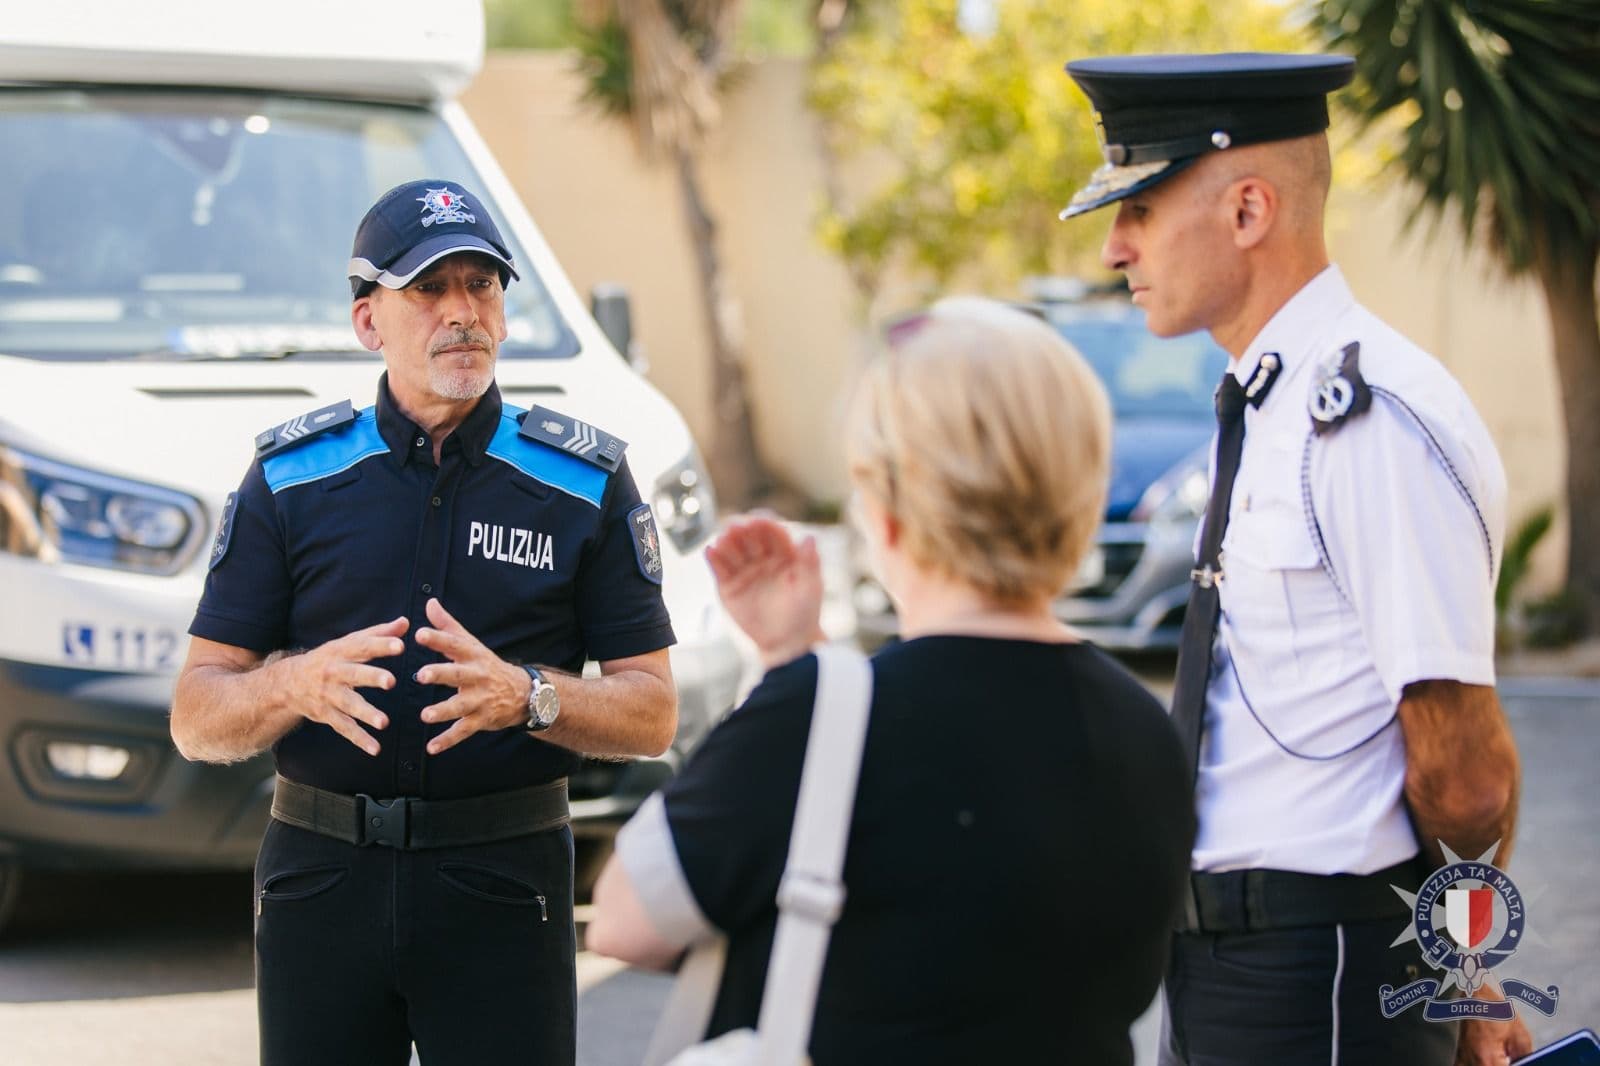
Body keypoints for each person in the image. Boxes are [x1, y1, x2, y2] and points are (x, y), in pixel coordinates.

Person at [1058, 53, 1529, 1066]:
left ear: (1247, 209)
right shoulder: (1274, 399)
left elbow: (1465, 769)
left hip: (1316, 967)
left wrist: (1460, 970)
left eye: (1138, 205)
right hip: (1233, 957)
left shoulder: (1370, 422)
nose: (1112, 246)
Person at [586, 298, 1196, 1065]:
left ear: (891, 514)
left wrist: (789, 674)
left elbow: (624, 919)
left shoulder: (826, 714)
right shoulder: (1148, 735)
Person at [169, 178, 678, 1066]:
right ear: (369, 322)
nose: (463, 313)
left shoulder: (583, 484)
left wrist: (528, 697)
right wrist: (294, 682)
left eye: (481, 286)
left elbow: (653, 712)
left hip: (502, 881)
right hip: (319, 879)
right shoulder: (291, 479)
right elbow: (196, 716)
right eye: (430, 289)